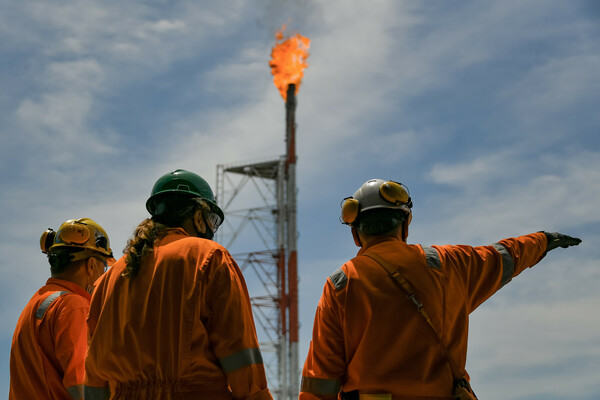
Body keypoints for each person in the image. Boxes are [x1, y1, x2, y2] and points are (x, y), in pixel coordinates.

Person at [299, 179, 582, 400]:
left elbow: (320, 380)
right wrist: (543, 240)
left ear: (356, 233)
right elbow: (504, 256)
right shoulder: (447, 265)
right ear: (405, 224)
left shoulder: (341, 284)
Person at [84, 169, 273, 400]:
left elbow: (93, 375)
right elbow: (240, 356)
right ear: (197, 216)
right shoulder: (209, 257)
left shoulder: (108, 279)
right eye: (212, 221)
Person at [10, 218, 113, 400]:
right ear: (91, 265)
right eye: (103, 266)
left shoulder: (35, 304)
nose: (103, 275)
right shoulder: (74, 306)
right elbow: (82, 384)